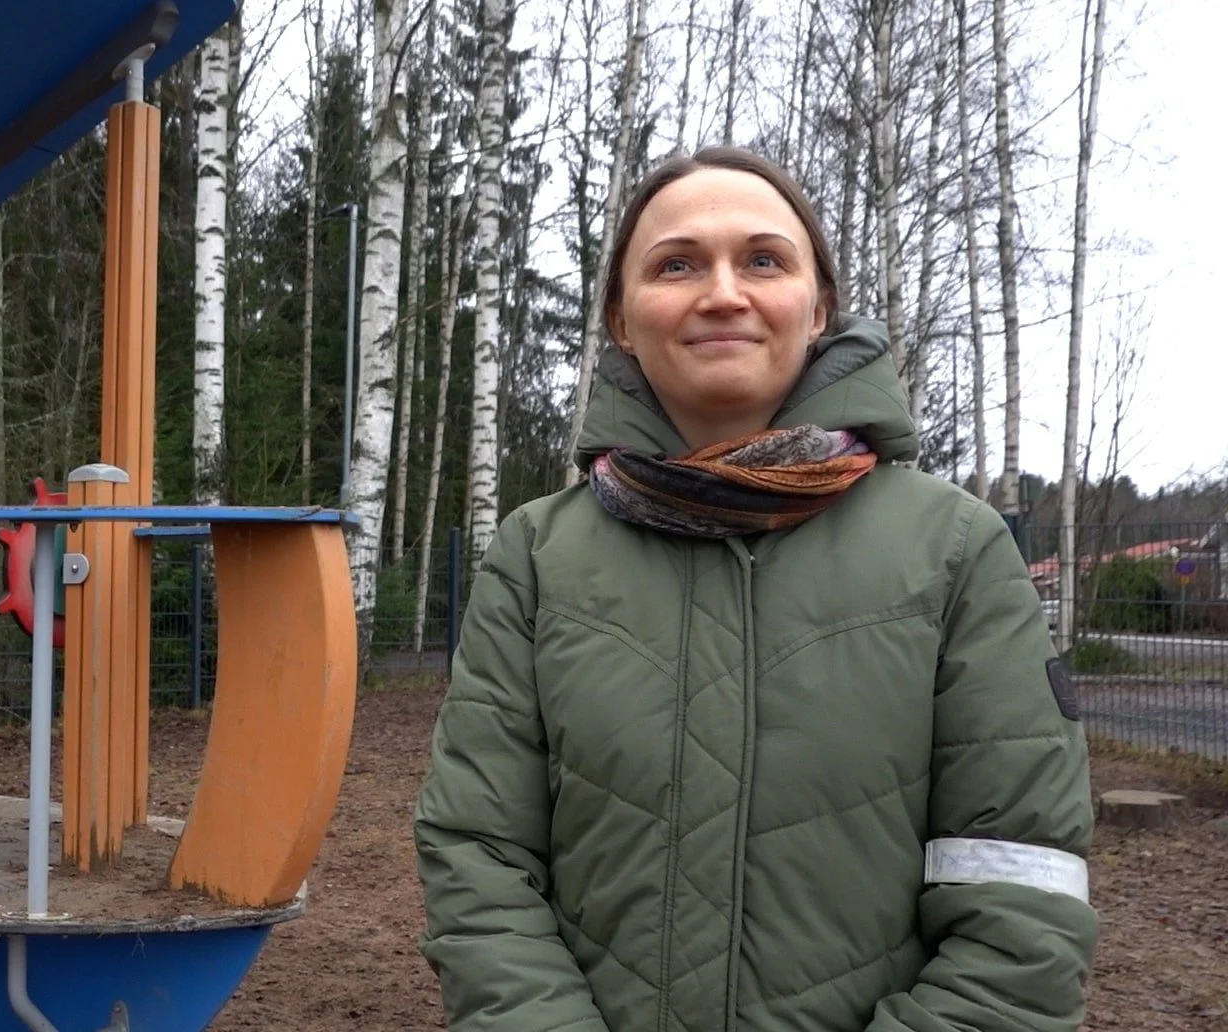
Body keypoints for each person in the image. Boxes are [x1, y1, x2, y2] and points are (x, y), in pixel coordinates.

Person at [414, 145, 1097, 1032]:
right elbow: (481, 854)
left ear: (819, 308)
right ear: (622, 319)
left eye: (764, 260)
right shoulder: (538, 554)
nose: (724, 292)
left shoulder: (955, 550)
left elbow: (1018, 891)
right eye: (677, 264)